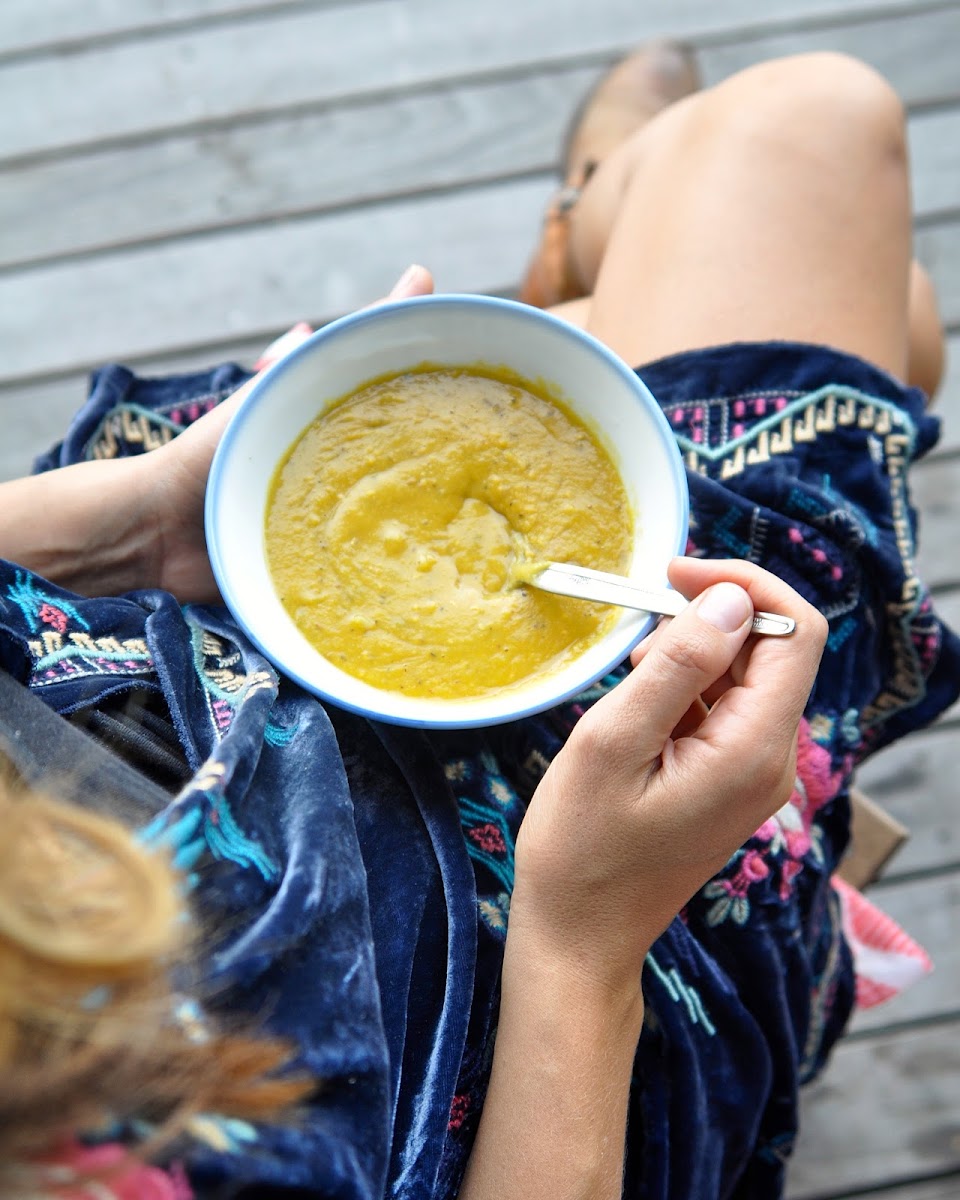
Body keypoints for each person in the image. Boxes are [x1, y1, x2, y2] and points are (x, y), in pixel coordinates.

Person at [0, 42, 957, 1200]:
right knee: (826, 150)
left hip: (174, 609)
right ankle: (588, 230)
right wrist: (586, 947)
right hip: (542, 990)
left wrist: (129, 535)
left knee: (822, 233)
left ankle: (587, 246)